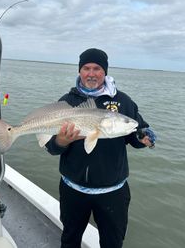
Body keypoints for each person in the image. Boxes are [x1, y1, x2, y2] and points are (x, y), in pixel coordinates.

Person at [45, 48, 156, 248]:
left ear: (105, 71)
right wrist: (61, 141)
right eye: (86, 68)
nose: (91, 73)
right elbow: (52, 148)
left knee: (112, 243)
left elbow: (136, 132)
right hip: (73, 189)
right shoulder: (67, 102)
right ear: (79, 71)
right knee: (69, 240)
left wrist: (145, 138)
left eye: (97, 68)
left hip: (113, 192)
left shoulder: (124, 102)